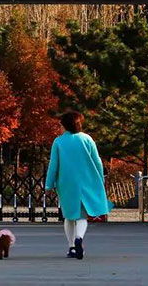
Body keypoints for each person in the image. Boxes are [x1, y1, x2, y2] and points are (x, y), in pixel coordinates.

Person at [44, 111, 112, 260]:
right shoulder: (87, 139)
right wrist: (100, 179)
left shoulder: (59, 142)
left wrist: (48, 185)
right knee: (82, 216)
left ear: (65, 125)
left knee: (69, 216)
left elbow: (53, 165)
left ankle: (72, 247)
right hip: (87, 181)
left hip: (66, 182)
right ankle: (79, 238)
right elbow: (97, 161)